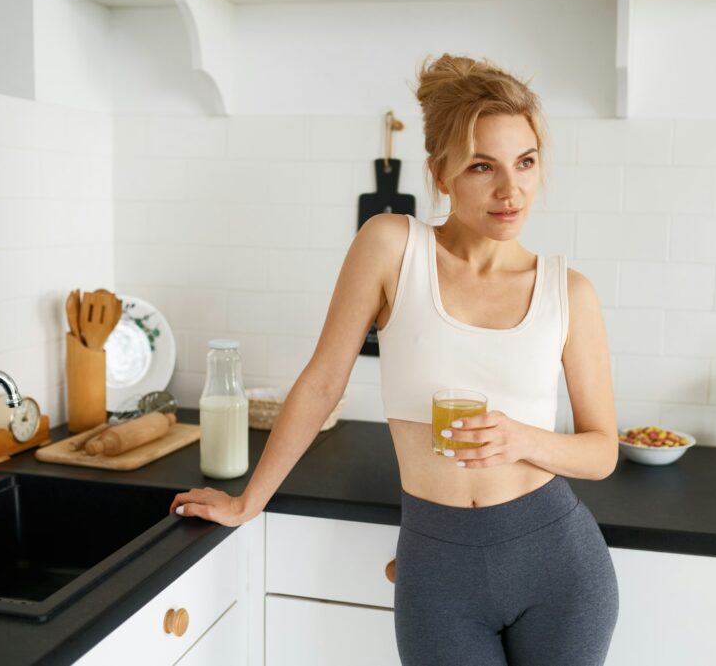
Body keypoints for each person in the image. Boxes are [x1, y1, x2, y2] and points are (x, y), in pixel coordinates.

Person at [170, 53, 620, 666]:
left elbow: (601, 450)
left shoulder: (569, 292)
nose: (510, 190)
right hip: (438, 567)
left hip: (557, 563)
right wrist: (251, 500)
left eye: (526, 162)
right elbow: (323, 381)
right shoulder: (391, 246)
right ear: (441, 173)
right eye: (482, 166)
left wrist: (521, 439)